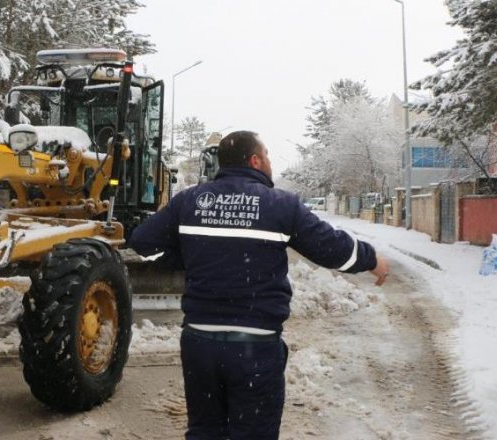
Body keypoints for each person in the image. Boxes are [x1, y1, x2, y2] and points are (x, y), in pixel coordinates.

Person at [129, 130, 389, 439]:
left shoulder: (190, 200)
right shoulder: (280, 205)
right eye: (267, 155)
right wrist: (372, 260)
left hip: (200, 345)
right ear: (254, 160)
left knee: (205, 432)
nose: (270, 162)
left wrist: (189, 255)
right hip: (255, 349)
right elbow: (333, 249)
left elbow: (143, 241)